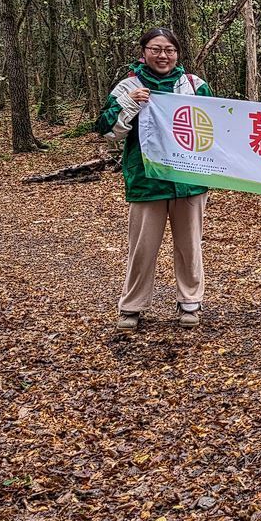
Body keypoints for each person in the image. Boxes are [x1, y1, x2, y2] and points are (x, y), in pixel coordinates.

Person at [96, 28, 213, 330]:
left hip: (189, 180)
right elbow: (107, 130)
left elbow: (215, 127)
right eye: (156, 49)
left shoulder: (194, 85)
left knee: (190, 246)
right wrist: (129, 103)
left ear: (177, 54)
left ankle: (190, 302)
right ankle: (131, 306)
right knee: (142, 247)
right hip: (146, 180)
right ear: (143, 52)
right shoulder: (128, 85)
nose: (163, 55)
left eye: (169, 50)